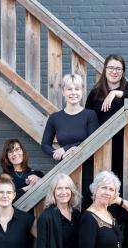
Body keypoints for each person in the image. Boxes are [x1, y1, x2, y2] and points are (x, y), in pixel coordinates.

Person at [41, 73, 100, 206]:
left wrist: (67, 148)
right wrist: (57, 154)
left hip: (87, 168)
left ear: (82, 92)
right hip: (65, 168)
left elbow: (92, 141)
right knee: (68, 205)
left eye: (77, 89)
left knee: (86, 204)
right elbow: (45, 144)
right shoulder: (55, 118)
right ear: (63, 92)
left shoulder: (90, 115)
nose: (73, 92)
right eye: (69, 89)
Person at [86, 54, 128, 185]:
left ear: (123, 72)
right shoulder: (95, 94)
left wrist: (115, 93)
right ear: (105, 70)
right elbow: (87, 119)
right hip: (101, 144)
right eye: (111, 68)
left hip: (126, 144)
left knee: (123, 181)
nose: (114, 71)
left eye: (118, 68)